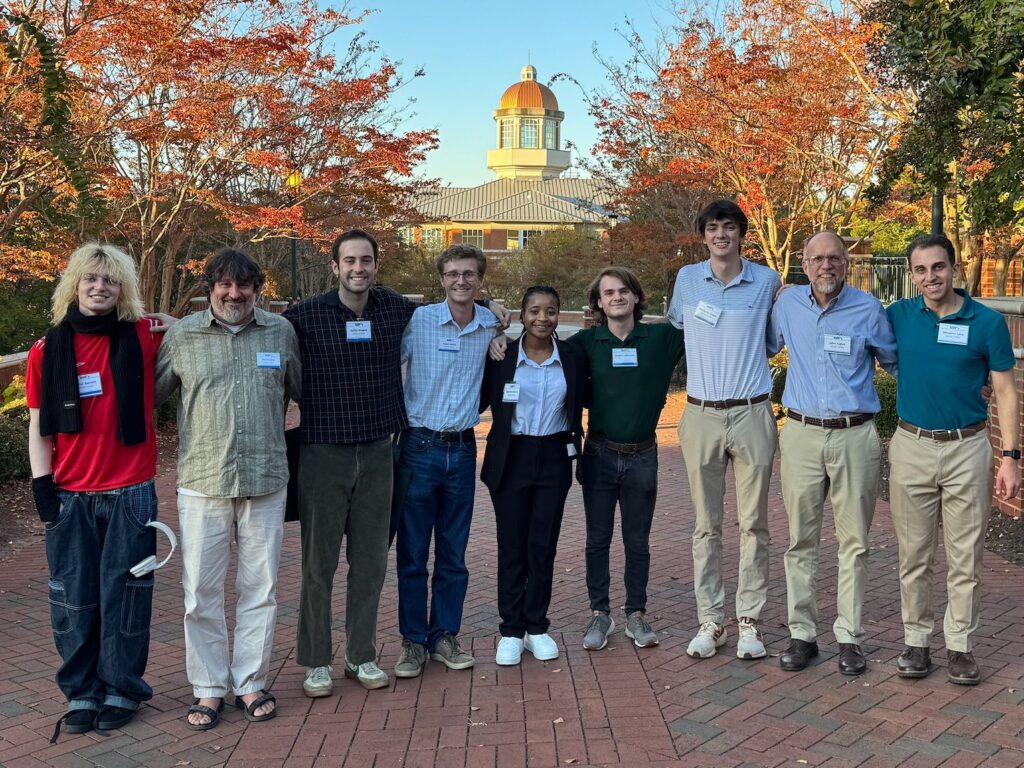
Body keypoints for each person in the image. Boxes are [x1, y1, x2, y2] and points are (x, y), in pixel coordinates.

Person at [27, 243, 167, 740]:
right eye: (90, 279)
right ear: (74, 284)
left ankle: (121, 688)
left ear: (122, 288)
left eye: (109, 280)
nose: (99, 287)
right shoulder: (48, 350)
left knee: (125, 596)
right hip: (70, 494)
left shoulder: (144, 336)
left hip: (131, 492)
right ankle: (81, 691)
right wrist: (42, 487)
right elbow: (40, 426)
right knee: (74, 598)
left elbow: (188, 327)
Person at [156, 249, 301, 729]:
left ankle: (251, 682)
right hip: (203, 481)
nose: (235, 294)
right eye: (225, 285)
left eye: (245, 286)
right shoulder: (183, 335)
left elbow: (304, 391)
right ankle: (209, 688)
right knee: (200, 590)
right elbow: (147, 393)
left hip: (265, 479)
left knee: (260, 589)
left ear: (257, 289)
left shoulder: (280, 333)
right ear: (211, 287)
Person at [285, 229, 414, 695]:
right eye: (350, 261)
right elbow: (255, 327)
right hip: (323, 454)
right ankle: (317, 660)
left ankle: (361, 655)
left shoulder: (397, 309)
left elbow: (451, 314)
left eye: (366, 260)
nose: (358, 268)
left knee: (370, 564)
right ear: (335, 266)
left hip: (380, 452)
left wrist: (494, 313)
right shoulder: (304, 317)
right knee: (318, 565)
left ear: (376, 265)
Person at [887, 234, 1020, 685]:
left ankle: (960, 645)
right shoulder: (899, 316)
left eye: (938, 268)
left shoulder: (986, 322)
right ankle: (916, 642)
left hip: (968, 447)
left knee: (966, 557)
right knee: (914, 555)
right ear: (912, 275)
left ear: (954, 267)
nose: (930, 278)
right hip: (911, 446)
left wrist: (1010, 458)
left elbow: (1004, 391)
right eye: (921, 270)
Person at [768, 231, 897, 675]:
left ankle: (850, 637)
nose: (826, 266)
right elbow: (762, 345)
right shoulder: (786, 305)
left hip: (854, 436)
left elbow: (898, 362)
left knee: (855, 543)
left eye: (835, 258)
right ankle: (802, 634)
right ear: (804, 263)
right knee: (800, 540)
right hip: (801, 434)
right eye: (818, 258)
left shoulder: (869, 309)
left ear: (846, 263)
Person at [668, 199, 780, 660]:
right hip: (701, 415)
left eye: (729, 227)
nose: (721, 235)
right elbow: (678, 327)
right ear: (703, 235)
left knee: (754, 523)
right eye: (713, 228)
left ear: (741, 234)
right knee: (705, 526)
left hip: (752, 412)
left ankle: (749, 621)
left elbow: (774, 340)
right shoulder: (687, 280)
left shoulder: (766, 281)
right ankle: (711, 620)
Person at [394, 244, 499, 677]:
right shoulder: (417, 321)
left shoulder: (489, 323)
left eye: (469, 274)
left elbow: (503, 317)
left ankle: (445, 636)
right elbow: (386, 361)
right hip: (419, 447)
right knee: (413, 553)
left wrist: (501, 323)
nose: (461, 281)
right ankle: (413, 641)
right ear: (441, 279)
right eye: (453, 274)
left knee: (454, 553)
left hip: (463, 448)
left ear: (480, 279)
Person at [570, 267, 686, 650]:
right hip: (600, 454)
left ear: (636, 297)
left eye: (623, 291)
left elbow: (710, 327)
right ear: (598, 303)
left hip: (643, 456)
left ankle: (637, 613)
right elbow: (537, 348)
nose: (616, 297)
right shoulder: (585, 343)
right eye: (608, 293)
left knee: (637, 541)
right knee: (597, 540)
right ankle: (599, 614)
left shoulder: (662, 338)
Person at [480, 286, 586, 665]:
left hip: (554, 456)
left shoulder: (572, 357)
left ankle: (536, 626)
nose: (543, 318)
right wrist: (492, 330)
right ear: (521, 315)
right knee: (512, 545)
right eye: (534, 311)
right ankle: (511, 630)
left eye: (551, 311)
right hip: (512, 457)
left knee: (543, 545)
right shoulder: (500, 354)